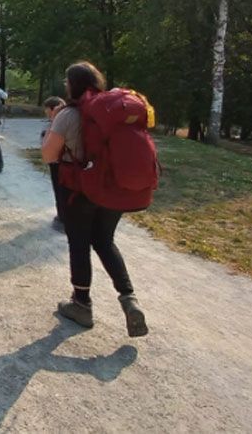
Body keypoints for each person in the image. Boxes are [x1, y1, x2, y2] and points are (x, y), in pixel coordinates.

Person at [41, 61, 148, 337]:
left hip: (79, 188)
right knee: (104, 240)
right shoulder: (110, 111)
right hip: (111, 188)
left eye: (67, 82)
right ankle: (128, 298)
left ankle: (81, 304)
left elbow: (49, 156)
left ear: (73, 85)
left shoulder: (68, 114)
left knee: (79, 243)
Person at [42, 96, 66, 232]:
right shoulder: (71, 116)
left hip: (57, 162)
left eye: (46, 110)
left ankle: (62, 218)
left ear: (52, 110)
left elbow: (48, 146)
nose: (45, 113)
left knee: (59, 190)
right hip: (67, 162)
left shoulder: (57, 122)